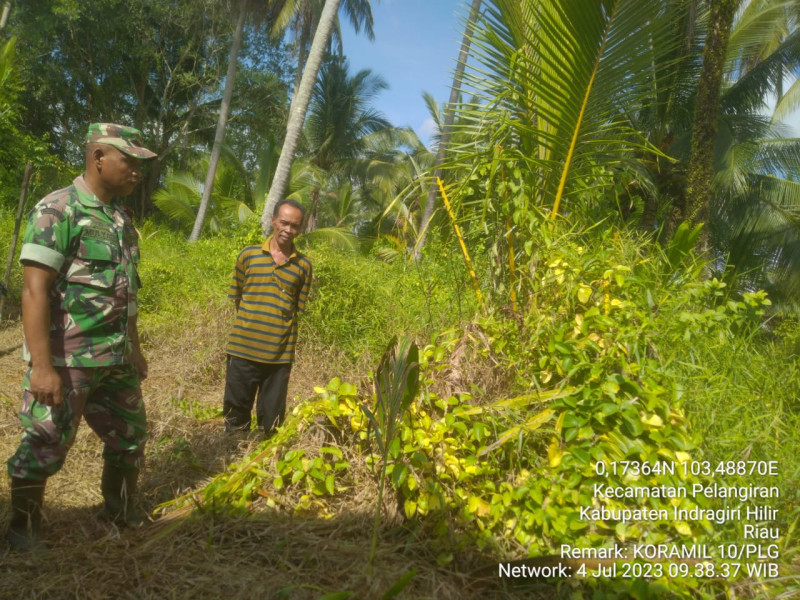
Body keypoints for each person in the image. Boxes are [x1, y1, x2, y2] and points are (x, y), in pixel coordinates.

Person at [6, 123, 156, 551]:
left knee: (130, 437)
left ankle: (119, 509)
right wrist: (42, 367)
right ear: (98, 158)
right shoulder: (58, 210)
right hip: (68, 360)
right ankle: (22, 527)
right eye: (129, 161)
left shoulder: (121, 219)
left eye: (140, 164)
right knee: (44, 443)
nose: (136, 171)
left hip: (116, 358)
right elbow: (33, 290)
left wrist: (134, 348)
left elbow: (126, 290)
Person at [223, 199, 312, 434]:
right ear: (273, 220)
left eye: (294, 226)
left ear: (300, 228)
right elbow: (238, 299)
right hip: (242, 350)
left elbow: (294, 309)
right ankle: (235, 452)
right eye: (284, 223)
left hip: (279, 357)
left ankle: (265, 455)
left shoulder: (303, 266)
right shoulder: (248, 255)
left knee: (272, 426)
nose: (288, 230)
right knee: (235, 421)